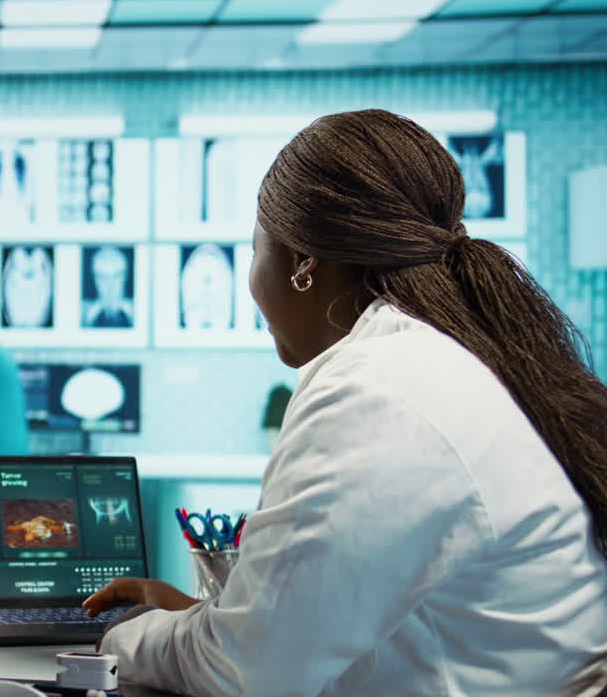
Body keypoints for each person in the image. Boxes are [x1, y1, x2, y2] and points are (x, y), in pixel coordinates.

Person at [84, 110, 607, 695]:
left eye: (255, 251)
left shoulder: (376, 394)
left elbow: (251, 676)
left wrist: (123, 635)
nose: (252, 282)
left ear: (304, 263)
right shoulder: (457, 361)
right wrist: (205, 620)